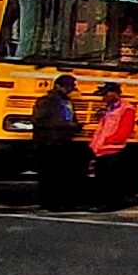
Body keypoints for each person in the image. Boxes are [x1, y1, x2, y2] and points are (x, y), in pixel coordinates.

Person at [32, 71, 86, 209]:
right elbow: (40, 121)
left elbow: (71, 118)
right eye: (66, 87)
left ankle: (59, 201)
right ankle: (49, 202)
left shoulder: (68, 102)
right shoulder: (45, 101)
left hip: (63, 141)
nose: (68, 90)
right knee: (49, 174)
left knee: (61, 174)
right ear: (57, 86)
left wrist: (75, 126)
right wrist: (66, 125)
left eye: (70, 88)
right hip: (48, 142)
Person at [85, 81, 138, 206]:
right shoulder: (109, 110)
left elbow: (125, 129)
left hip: (113, 150)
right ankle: (101, 201)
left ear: (114, 94)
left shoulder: (126, 109)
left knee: (110, 179)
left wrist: (111, 140)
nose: (103, 98)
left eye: (105, 94)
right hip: (101, 150)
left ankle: (109, 203)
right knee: (101, 178)